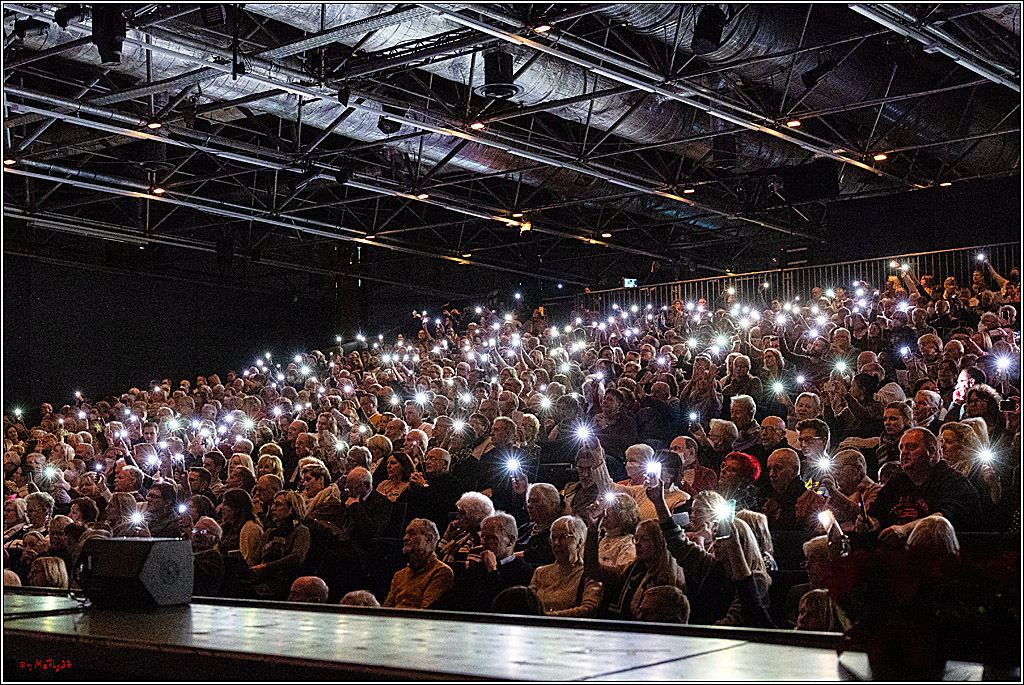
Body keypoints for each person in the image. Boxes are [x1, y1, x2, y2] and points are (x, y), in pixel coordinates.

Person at [582, 501, 685, 620]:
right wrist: (593, 530)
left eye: (645, 539)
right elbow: (593, 570)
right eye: (636, 538)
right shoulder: (632, 570)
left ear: (659, 544)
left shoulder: (669, 581)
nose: (637, 543)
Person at [868, 428, 982, 534]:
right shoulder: (897, 481)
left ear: (931, 452)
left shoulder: (954, 482)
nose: (904, 452)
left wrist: (905, 529)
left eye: (911, 447)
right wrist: (871, 523)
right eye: (901, 448)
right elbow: (878, 512)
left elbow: (942, 519)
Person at [450, 512, 535, 612]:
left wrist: (492, 570)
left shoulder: (524, 572)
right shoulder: (478, 567)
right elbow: (453, 598)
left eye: (491, 537)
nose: (483, 542)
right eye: (483, 537)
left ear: (510, 541)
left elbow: (500, 605)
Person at [528, 515, 603, 617]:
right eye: (553, 538)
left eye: (563, 537)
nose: (557, 543)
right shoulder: (540, 573)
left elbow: (589, 609)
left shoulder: (589, 574)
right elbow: (529, 605)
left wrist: (549, 617)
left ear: (580, 541)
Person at [250, 490, 311, 600]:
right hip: (263, 577)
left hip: (283, 580)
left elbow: (296, 557)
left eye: (278, 505)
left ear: (291, 508)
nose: (272, 508)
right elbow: (256, 557)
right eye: (273, 504)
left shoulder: (301, 531)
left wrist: (267, 567)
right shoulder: (270, 532)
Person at [383, 518, 454, 609]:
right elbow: (386, 609)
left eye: (412, 533)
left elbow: (426, 612)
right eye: (406, 533)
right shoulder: (399, 575)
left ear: (428, 539)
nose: (405, 538)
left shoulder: (441, 572)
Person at [761, 448, 825, 534]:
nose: (772, 474)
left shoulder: (812, 501)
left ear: (794, 470)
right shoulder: (770, 502)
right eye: (769, 469)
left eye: (779, 468)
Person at [818, 450, 881, 532]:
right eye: (833, 469)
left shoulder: (876, 491)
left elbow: (865, 519)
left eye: (840, 468)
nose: (835, 473)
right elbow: (823, 526)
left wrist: (835, 494)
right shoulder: (836, 493)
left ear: (858, 469)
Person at [516, 482, 562, 567]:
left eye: (535, 501)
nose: (529, 506)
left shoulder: (556, 534)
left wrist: (509, 558)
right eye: (528, 501)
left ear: (552, 504)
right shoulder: (525, 528)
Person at [219, 488, 264, 566]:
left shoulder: (250, 528)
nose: (221, 508)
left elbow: (249, 560)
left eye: (226, 504)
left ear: (237, 507)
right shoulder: (227, 527)